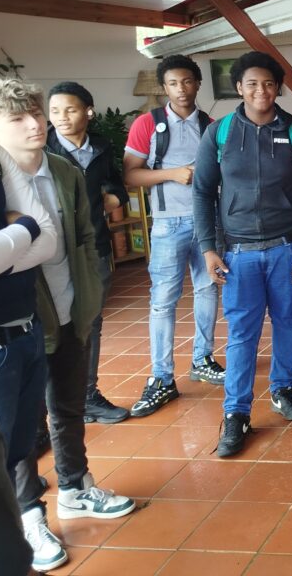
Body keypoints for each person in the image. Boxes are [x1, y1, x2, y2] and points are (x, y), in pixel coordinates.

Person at [0, 79, 134, 573]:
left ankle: (75, 488)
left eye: (36, 113)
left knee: (69, 406)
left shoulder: (64, 170)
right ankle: (28, 515)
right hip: (20, 319)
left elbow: (83, 239)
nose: (35, 124)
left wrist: (89, 296)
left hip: (72, 306)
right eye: (17, 118)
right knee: (18, 426)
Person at [193, 51, 292, 457]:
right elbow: (202, 192)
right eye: (252, 83)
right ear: (239, 87)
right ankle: (237, 413)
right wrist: (208, 249)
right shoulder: (220, 133)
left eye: (268, 83)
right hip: (238, 253)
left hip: (287, 249)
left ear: (278, 87)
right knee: (241, 335)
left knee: (288, 323)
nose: (261, 90)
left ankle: (283, 389)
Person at [124, 55, 223, 418]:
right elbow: (130, 175)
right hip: (168, 224)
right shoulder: (147, 124)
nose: (181, 89)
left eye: (187, 81)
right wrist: (172, 173)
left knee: (208, 290)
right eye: (173, 83)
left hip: (208, 222)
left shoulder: (211, 126)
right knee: (163, 301)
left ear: (198, 84)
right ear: (164, 87)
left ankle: (203, 359)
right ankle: (162, 377)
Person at [46, 81, 130, 424]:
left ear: (88, 112)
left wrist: (111, 198)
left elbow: (117, 185)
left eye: (70, 109)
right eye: (54, 111)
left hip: (94, 248)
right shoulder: (44, 149)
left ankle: (87, 396)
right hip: (54, 254)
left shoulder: (101, 146)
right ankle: (51, 407)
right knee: (52, 327)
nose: (61, 118)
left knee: (91, 322)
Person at [0, 137, 58, 576]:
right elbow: (35, 227)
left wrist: (13, 239)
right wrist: (24, 229)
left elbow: (49, 236)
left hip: (26, 327)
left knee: (18, 449)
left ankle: (24, 528)